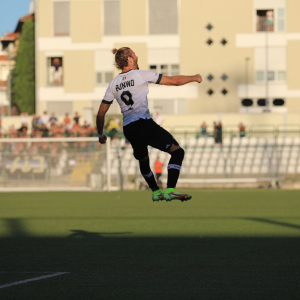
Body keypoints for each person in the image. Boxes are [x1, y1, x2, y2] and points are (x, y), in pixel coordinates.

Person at [96, 47, 202, 202]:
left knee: (143, 160)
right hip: (144, 124)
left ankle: (155, 191)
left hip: (129, 129)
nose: (137, 56)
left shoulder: (113, 84)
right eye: (134, 54)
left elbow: (100, 114)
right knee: (177, 152)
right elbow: (174, 81)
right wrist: (194, 77)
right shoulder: (140, 75)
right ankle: (170, 190)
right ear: (130, 59)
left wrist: (100, 134)